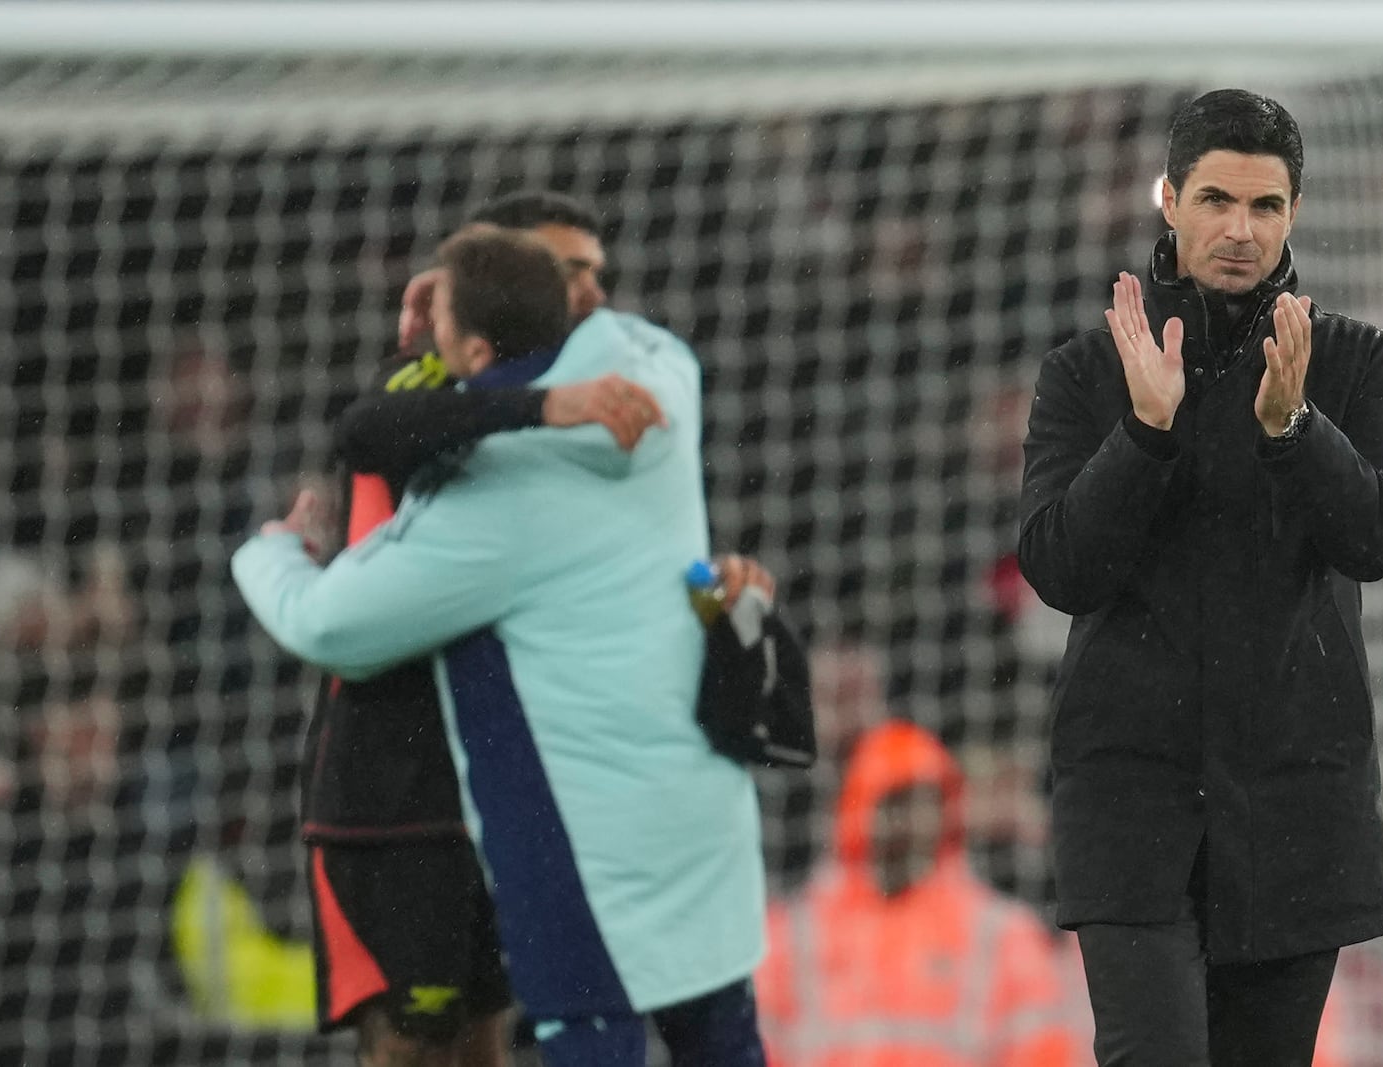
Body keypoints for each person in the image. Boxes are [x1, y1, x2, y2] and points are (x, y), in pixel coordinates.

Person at [233, 224, 769, 1067]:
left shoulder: (486, 502)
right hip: (698, 821)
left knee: (560, 1039)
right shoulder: (661, 379)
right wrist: (538, 390)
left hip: (575, 838)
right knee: (722, 1042)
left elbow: (328, 623)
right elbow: (384, 421)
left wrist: (265, 551)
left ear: (469, 342)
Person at [1017, 88, 1383, 1066]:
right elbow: (1059, 565)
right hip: (1131, 805)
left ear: (1293, 213)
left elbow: (1380, 535)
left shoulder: (1353, 365)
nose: (1239, 230)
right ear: (1169, 200)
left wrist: (1293, 429)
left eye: (1264, 206)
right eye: (1215, 200)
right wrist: (1144, 433)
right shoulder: (1089, 369)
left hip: (1294, 813)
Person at [755, 719, 1085, 1067]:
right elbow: (759, 1045)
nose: (916, 822)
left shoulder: (1002, 932)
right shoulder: (794, 931)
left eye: (928, 803)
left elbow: (1044, 1049)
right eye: (898, 802)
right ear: (860, 806)